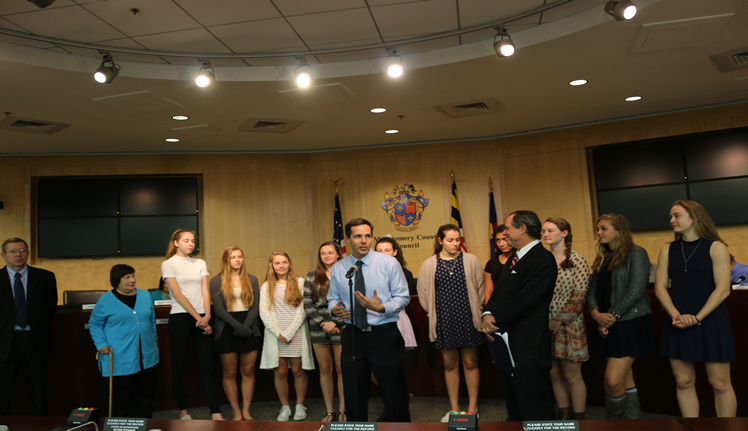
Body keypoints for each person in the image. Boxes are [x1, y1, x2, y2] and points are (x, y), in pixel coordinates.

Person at [655, 200, 736, 417]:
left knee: (719, 384)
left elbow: (723, 290)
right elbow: (660, 288)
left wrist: (697, 317)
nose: (672, 220)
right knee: (683, 381)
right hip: (677, 321)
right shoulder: (667, 250)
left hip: (711, 320)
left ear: (695, 218)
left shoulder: (716, 247)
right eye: (671, 216)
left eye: (677, 215)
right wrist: (677, 316)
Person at [328, 218, 411, 422]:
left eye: (367, 236)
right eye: (358, 236)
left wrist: (381, 307)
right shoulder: (339, 268)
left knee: (394, 394)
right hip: (353, 337)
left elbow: (403, 297)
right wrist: (334, 310)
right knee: (354, 395)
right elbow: (332, 298)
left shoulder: (388, 263)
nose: (364, 241)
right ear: (348, 239)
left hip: (384, 336)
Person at [483, 210, 558, 421]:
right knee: (515, 403)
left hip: (529, 345)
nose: (504, 232)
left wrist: (495, 323)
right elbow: (499, 292)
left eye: (508, 228)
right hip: (508, 343)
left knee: (534, 405)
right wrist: (487, 313)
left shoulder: (542, 259)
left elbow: (525, 300)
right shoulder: (515, 257)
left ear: (523, 228)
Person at [587, 214, 657, 420]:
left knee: (613, 380)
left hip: (628, 322)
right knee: (624, 378)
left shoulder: (636, 253)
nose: (599, 233)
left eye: (604, 228)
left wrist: (609, 317)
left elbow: (635, 291)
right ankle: (631, 422)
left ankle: (614, 424)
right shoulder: (604, 256)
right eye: (598, 229)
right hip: (606, 323)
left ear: (618, 231)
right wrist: (596, 315)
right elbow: (591, 292)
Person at [417, 224, 485, 421]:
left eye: (457, 240)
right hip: (444, 319)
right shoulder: (429, 264)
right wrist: (435, 314)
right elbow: (423, 295)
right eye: (450, 240)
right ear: (440, 240)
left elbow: (480, 290)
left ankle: (473, 408)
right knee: (449, 363)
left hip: (468, 318)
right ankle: (454, 409)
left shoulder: (471, 260)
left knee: (470, 362)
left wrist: (477, 310)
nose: (455, 244)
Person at [161, 229, 223, 420]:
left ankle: (216, 412)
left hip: (203, 316)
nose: (191, 244)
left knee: (208, 366)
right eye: (186, 240)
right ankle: (183, 412)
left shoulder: (200, 263)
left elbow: (205, 291)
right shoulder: (168, 264)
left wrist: (208, 316)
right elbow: (178, 296)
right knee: (180, 366)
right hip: (180, 317)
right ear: (176, 242)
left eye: (193, 241)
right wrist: (199, 319)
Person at [88, 264, 159, 417]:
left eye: (133, 276)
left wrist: (154, 341)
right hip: (119, 358)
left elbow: (151, 321)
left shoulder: (145, 295)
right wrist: (101, 344)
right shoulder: (106, 300)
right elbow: (94, 324)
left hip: (147, 357)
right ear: (117, 280)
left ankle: (144, 424)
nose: (132, 280)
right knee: (120, 401)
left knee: (145, 398)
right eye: (126, 277)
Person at [0, 237, 57, 416]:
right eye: (12, 251)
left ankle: (40, 427)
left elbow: (50, 309)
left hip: (35, 341)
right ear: (4, 256)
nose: (18, 255)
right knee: (2, 394)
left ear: (28, 253)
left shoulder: (45, 277)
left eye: (22, 250)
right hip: (4, 344)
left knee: (38, 392)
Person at [542, 218, 590, 420]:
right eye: (543, 231)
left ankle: (579, 418)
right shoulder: (542, 259)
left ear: (564, 233)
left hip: (569, 324)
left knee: (572, 375)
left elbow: (580, 294)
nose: (545, 234)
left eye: (550, 230)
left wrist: (558, 320)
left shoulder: (577, 259)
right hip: (544, 322)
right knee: (554, 374)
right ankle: (564, 412)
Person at [259, 251, 313, 422]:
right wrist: (279, 333)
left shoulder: (300, 282)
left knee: (298, 371)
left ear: (289, 264)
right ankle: (285, 407)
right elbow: (264, 312)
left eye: (284, 262)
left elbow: (303, 310)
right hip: (276, 336)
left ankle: (300, 406)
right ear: (272, 266)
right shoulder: (267, 286)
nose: (281, 266)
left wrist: (289, 333)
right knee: (280, 372)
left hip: (295, 334)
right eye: (277, 263)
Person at [210, 246, 261, 421]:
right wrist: (238, 327)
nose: (237, 260)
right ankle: (236, 411)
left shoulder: (252, 279)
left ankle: (246, 409)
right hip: (227, 328)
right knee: (230, 373)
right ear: (226, 260)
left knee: (248, 371)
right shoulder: (216, 281)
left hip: (250, 327)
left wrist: (245, 327)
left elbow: (255, 307)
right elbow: (219, 310)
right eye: (233, 257)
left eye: (240, 256)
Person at [372, 235, 417, 422]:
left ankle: (395, 406)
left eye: (387, 250)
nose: (383, 254)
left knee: (392, 368)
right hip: (375, 322)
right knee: (376, 367)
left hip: (395, 320)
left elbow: (400, 299)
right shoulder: (370, 271)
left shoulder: (403, 272)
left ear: (395, 252)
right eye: (379, 251)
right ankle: (398, 397)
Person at [303, 242, 346, 422]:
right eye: (323, 253)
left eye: (330, 252)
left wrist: (334, 322)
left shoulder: (347, 273)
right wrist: (323, 323)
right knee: (325, 369)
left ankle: (343, 410)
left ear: (338, 254)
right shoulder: (312, 276)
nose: (326, 256)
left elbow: (350, 302)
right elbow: (307, 304)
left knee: (341, 368)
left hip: (342, 326)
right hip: (318, 327)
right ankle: (330, 411)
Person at [483, 225, 514, 304]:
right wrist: (488, 310)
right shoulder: (491, 264)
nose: (501, 244)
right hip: (497, 306)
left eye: (505, 239)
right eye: (498, 240)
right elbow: (488, 293)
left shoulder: (522, 260)